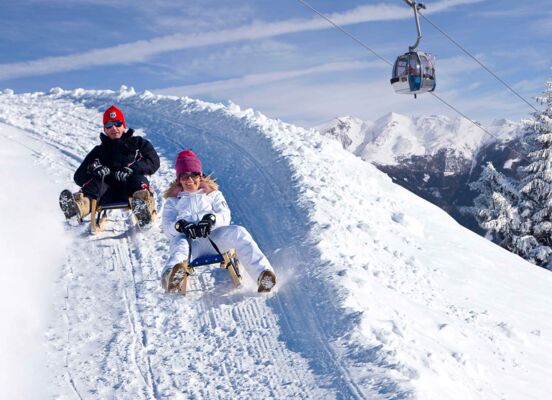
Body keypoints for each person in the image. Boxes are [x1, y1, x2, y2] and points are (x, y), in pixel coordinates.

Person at [160, 149, 276, 293]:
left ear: (200, 175)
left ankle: (263, 275)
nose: (190, 180)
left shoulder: (213, 194)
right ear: (179, 179)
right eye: (184, 176)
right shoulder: (172, 201)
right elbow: (166, 228)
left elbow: (225, 215)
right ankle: (171, 276)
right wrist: (180, 226)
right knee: (179, 243)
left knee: (239, 232)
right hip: (190, 247)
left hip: (215, 240)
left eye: (194, 175)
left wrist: (211, 219)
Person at [59, 105, 160, 227]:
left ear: (124, 125)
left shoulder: (138, 143)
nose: (113, 128)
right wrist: (94, 170)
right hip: (105, 191)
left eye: (117, 123)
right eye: (108, 125)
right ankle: (77, 209)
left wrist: (132, 169)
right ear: (105, 129)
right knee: (95, 184)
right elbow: (78, 176)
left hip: (130, 188)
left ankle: (144, 211)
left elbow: (153, 161)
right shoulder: (99, 150)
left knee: (138, 180)